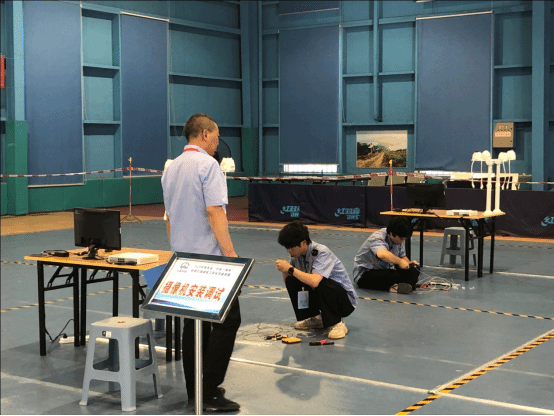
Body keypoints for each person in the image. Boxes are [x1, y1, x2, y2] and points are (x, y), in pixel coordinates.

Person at [162, 113, 240, 412]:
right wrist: (230, 253)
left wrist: (177, 249)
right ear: (205, 134)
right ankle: (208, 391)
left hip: (182, 258)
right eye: (216, 137)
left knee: (193, 325)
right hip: (210, 261)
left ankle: (195, 387)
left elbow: (168, 217)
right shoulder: (208, 166)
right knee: (228, 320)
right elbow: (215, 212)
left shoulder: (171, 168)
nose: (217, 143)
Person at [275, 221, 357, 339]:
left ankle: (338, 323)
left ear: (303, 243)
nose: (289, 251)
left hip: (344, 302)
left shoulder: (321, 252)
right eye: (287, 248)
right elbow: (290, 284)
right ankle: (317, 318)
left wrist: (290, 269)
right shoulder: (297, 256)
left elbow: (314, 282)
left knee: (320, 281)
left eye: (291, 247)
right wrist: (285, 271)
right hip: (322, 296)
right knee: (292, 279)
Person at [353, 216, 420, 294]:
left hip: (383, 271)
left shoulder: (398, 240)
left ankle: (405, 286)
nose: (403, 241)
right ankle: (396, 286)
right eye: (401, 238)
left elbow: (402, 257)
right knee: (393, 275)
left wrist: (408, 263)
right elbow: (382, 255)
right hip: (365, 274)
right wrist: (400, 262)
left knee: (414, 269)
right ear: (392, 234)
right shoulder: (377, 237)